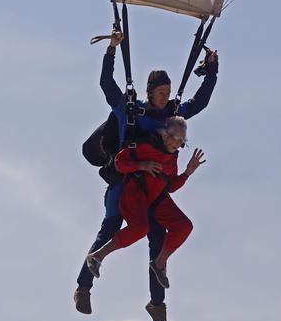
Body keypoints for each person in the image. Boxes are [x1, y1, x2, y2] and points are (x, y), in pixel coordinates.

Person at [74, 31, 218, 321]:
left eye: (168, 92)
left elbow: (201, 102)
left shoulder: (173, 116)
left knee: (157, 238)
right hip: (125, 183)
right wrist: (112, 49)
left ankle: (157, 303)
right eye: (161, 92)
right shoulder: (131, 110)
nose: (166, 97)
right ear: (150, 92)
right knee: (110, 229)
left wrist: (212, 70)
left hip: (153, 192)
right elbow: (106, 85)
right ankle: (83, 288)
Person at [85, 117, 205, 295]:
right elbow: (119, 163)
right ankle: (97, 256)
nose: (179, 144)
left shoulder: (171, 158)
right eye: (177, 139)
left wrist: (187, 173)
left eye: (182, 141)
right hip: (136, 194)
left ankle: (159, 263)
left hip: (157, 199)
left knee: (184, 226)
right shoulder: (145, 146)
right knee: (140, 229)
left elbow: (170, 186)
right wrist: (142, 165)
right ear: (165, 135)